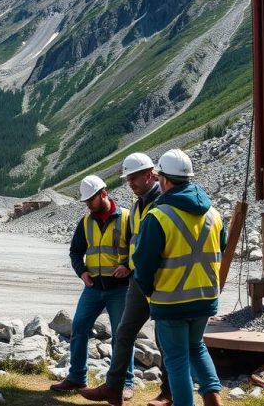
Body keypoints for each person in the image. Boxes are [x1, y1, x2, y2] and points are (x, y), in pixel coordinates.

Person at [132, 149, 226, 406]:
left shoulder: (158, 216)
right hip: (206, 298)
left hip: (170, 301)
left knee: (176, 361)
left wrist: (150, 291)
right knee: (196, 347)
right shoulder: (214, 215)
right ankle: (212, 397)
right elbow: (222, 249)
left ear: (163, 179)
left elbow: (143, 263)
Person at [80, 153, 171, 406]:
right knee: (124, 332)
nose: (130, 182)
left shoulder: (163, 202)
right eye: (128, 178)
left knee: (164, 339)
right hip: (139, 281)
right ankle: (114, 387)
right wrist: (131, 267)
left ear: (150, 174)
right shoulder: (138, 204)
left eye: (134, 178)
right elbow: (135, 243)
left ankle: (168, 393)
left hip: (162, 281)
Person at [50, 175, 132, 393]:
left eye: (90, 200)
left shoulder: (126, 218)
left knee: (122, 336)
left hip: (120, 289)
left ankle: (125, 383)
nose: (87, 205)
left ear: (103, 193)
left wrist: (128, 266)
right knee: (79, 328)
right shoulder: (86, 222)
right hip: (93, 287)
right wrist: (82, 272)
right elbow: (75, 252)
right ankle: (77, 377)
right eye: (85, 201)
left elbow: (139, 249)